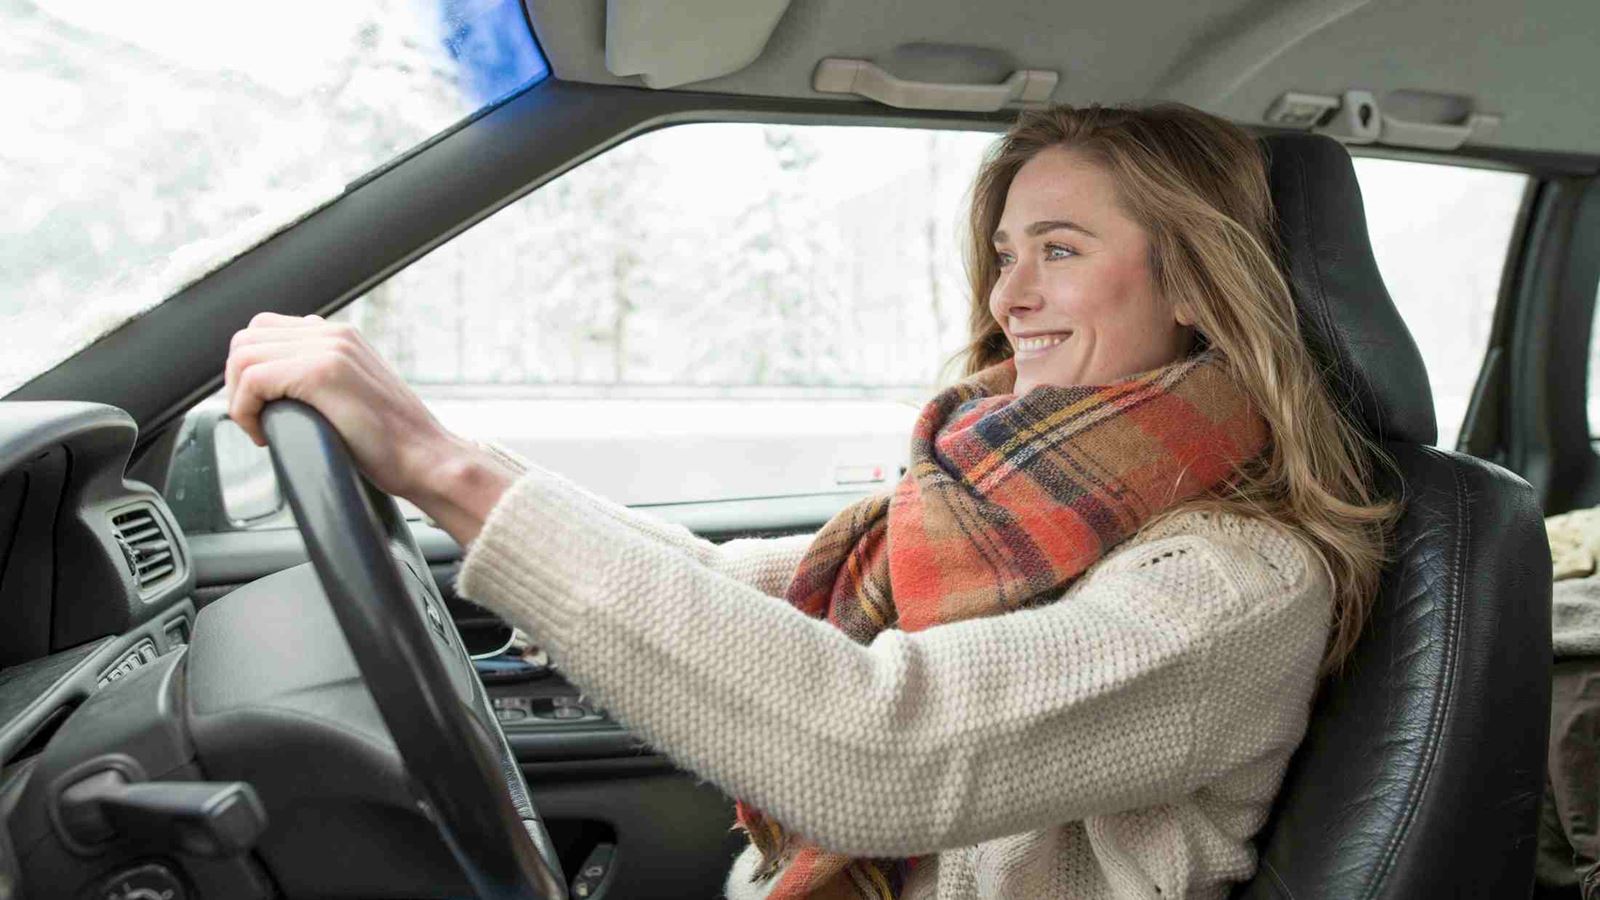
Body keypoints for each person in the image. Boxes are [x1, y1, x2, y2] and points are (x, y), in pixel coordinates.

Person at [223, 103, 1396, 899]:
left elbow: (889, 748)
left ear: (1191, 281)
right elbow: (741, 590)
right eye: (1005, 253)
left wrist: (444, 471)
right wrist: (452, 468)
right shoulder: (1018, 504)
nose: (1008, 297)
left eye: (1059, 250)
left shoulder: (1235, 584)